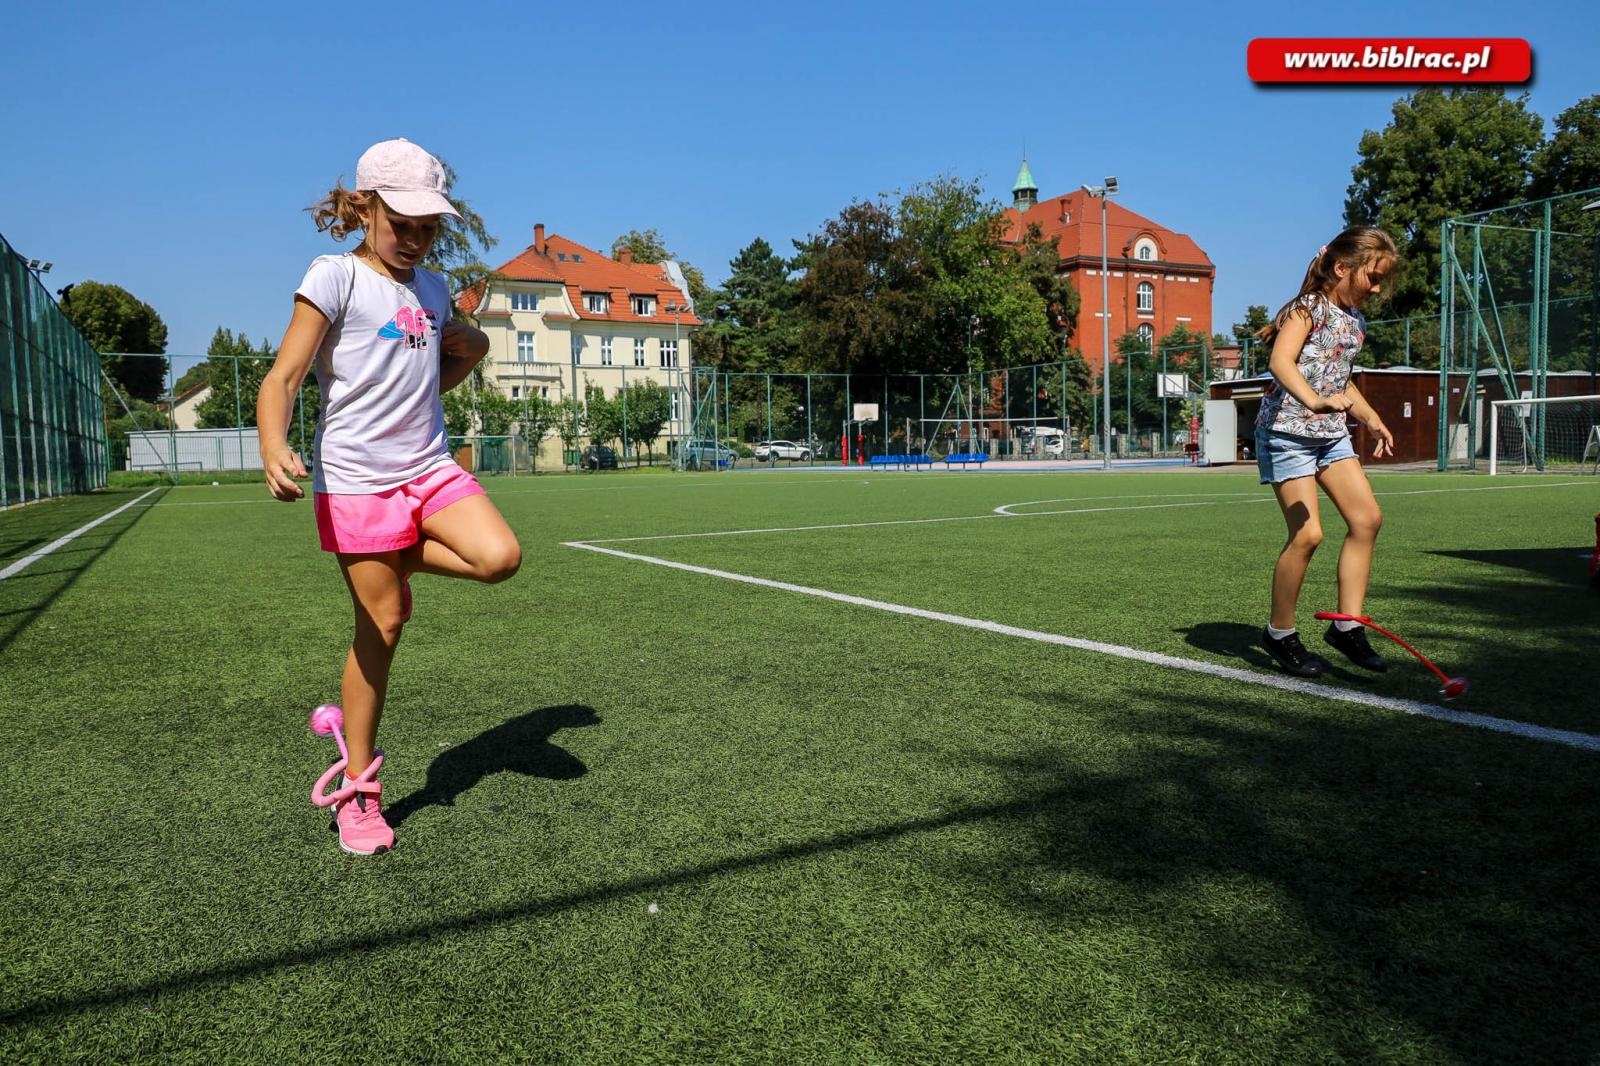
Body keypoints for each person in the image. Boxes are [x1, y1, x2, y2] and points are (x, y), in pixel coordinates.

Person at [257, 139, 522, 855]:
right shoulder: (334, 276)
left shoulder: (432, 291)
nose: (415, 239)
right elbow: (282, 377)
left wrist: (453, 368)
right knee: (383, 626)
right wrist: (274, 444)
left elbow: (463, 348)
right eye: (401, 223)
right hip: (358, 480)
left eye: (428, 227)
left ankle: (393, 557)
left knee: (500, 557)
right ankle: (359, 789)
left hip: (427, 468)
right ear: (365, 207)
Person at [1254, 225, 1397, 678]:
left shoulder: (1356, 322)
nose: (1376, 288)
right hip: (1287, 432)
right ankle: (1280, 634)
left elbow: (1342, 380)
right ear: (1341, 268)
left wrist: (1371, 417)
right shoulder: (1306, 310)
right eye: (1372, 277)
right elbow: (1281, 362)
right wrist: (1313, 399)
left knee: (1367, 519)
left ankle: (1347, 626)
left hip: (1331, 434)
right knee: (1308, 535)